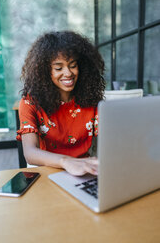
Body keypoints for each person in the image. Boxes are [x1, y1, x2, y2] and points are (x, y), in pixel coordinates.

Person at [17, 31, 105, 176]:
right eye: (59, 68)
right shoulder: (30, 103)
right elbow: (30, 153)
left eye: (73, 65)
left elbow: (110, 140)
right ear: (45, 71)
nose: (68, 73)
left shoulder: (92, 101)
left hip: (84, 172)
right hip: (48, 172)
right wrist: (66, 161)